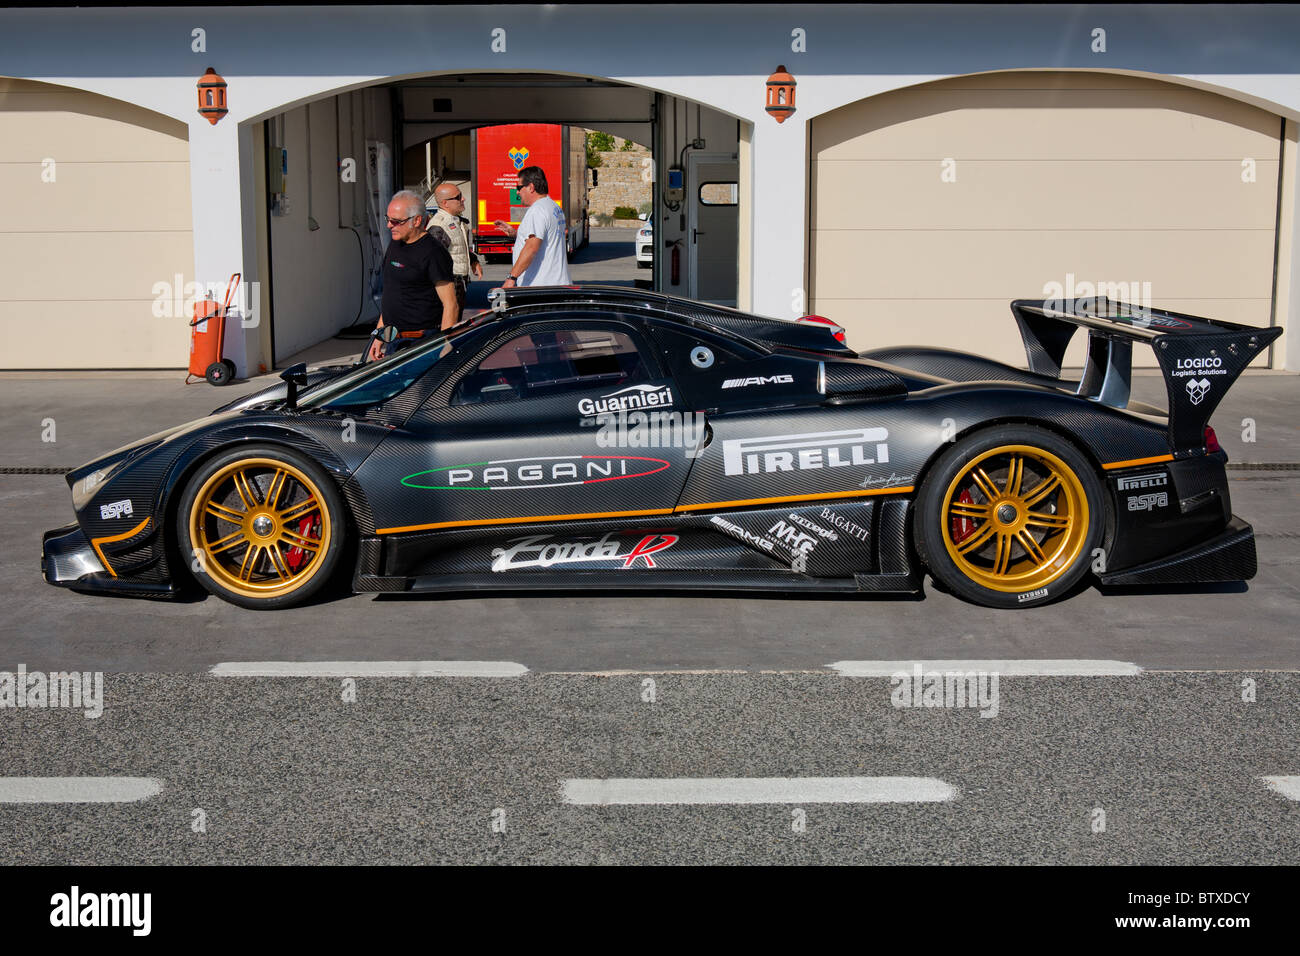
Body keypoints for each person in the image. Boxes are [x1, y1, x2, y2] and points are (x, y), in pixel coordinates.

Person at [369, 190, 458, 361]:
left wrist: (445, 345)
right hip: (394, 341)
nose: (389, 226)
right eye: (388, 220)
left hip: (422, 342)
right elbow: (391, 296)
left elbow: (450, 304)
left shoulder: (433, 253)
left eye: (396, 221)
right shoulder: (395, 245)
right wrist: (380, 335)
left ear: (417, 220)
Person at [493, 165, 571, 288]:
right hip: (556, 284)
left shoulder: (537, 210)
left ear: (531, 187)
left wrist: (511, 278)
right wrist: (517, 234)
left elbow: (532, 248)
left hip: (540, 287)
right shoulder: (553, 207)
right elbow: (545, 239)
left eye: (519, 187)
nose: (517, 192)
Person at [428, 182, 483, 314]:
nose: (463, 199)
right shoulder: (439, 226)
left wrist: (473, 260)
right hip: (450, 284)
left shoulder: (455, 220)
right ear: (445, 203)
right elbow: (433, 261)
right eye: (458, 197)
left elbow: (459, 245)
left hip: (459, 282)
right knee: (449, 326)